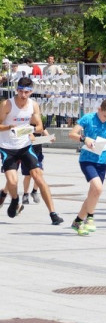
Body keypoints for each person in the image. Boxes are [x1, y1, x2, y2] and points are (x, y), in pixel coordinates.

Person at [0, 77, 64, 225]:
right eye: (21, 91)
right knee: (12, 181)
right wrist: (10, 127)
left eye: (27, 92)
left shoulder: (33, 105)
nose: (23, 95)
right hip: (7, 147)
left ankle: (53, 214)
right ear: (17, 90)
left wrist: (31, 130)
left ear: (31, 91)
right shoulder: (7, 104)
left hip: (25, 146)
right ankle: (15, 200)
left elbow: (40, 127)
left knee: (39, 177)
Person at [67, 98, 106, 235]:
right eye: (104, 116)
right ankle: (90, 218)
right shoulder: (88, 118)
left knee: (94, 193)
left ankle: (78, 221)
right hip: (87, 160)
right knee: (98, 188)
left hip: (102, 161)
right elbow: (72, 134)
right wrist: (84, 139)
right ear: (99, 109)